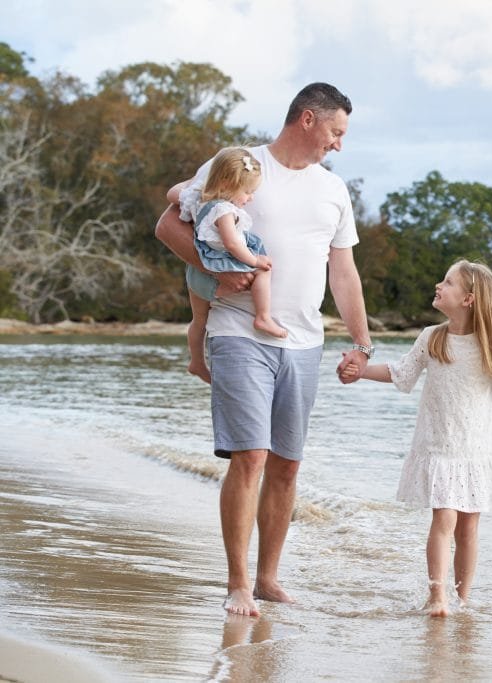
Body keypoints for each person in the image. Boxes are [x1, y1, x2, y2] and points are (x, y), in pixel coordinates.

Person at [155, 83, 373, 617]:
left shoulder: (333, 190)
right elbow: (168, 223)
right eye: (335, 132)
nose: (339, 145)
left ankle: (269, 578)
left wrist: (363, 343)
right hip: (238, 333)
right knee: (249, 456)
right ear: (307, 119)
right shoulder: (240, 164)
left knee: (286, 466)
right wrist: (214, 270)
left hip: (304, 342)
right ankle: (238, 584)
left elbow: (343, 273)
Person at [343, 260, 492, 617]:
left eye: (448, 282)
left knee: (469, 527)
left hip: (476, 450)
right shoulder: (432, 338)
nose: (439, 285)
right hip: (439, 447)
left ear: (469, 299)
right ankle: (438, 595)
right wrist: (360, 373)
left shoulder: (490, 345)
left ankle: (462, 599)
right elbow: (400, 373)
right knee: (444, 520)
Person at [168, 147, 287, 383]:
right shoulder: (224, 210)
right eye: (247, 191)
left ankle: (196, 362)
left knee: (199, 320)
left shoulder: (197, 200)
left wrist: (190, 187)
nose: (250, 198)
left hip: (196, 271)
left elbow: (172, 193)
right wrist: (255, 261)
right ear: (226, 183)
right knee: (264, 271)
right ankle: (263, 316)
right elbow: (233, 244)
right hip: (220, 266)